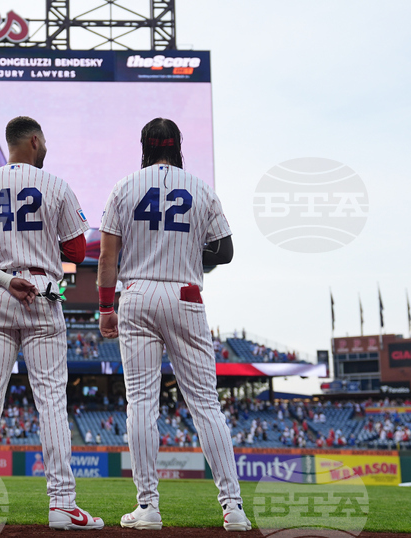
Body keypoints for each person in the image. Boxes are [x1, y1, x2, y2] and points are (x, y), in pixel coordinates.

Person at [96, 118, 249, 531]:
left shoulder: (124, 186)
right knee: (205, 404)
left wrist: (105, 307)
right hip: (186, 294)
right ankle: (233, 508)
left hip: (139, 294)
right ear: (178, 146)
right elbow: (226, 251)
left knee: (142, 404)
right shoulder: (201, 187)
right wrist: (186, 255)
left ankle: (147, 507)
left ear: (144, 146)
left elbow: (108, 258)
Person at [0, 116, 102, 531]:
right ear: (34, 141)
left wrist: (4, 276)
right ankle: (61, 504)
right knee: (52, 401)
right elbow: (76, 250)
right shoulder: (54, 184)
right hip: (40, 292)